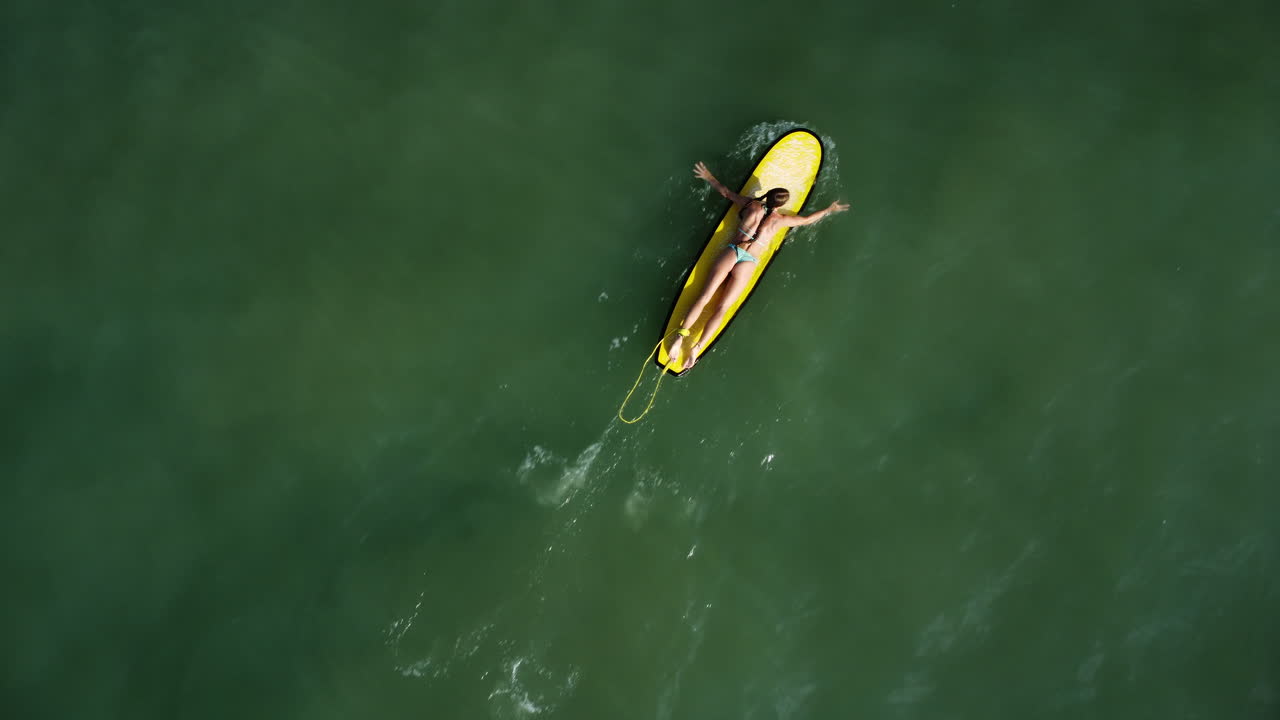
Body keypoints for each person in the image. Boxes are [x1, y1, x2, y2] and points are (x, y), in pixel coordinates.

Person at [667, 161, 850, 370]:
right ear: (780, 205)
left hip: (733, 251)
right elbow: (808, 220)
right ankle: (696, 348)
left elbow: (726, 193)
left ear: (768, 196)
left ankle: (679, 340)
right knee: (723, 307)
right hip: (749, 262)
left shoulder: (750, 205)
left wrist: (708, 176)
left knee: (705, 296)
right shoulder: (781, 220)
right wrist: (830, 208)